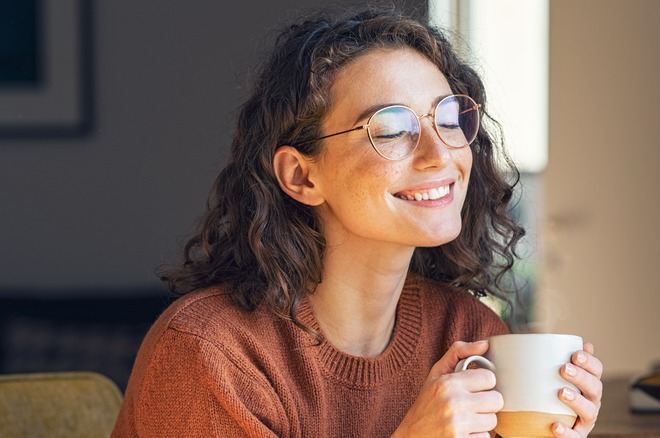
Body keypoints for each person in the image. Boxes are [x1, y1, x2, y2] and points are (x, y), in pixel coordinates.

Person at [112, 6, 603, 438]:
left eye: (449, 119)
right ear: (302, 176)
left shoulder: (466, 332)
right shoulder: (213, 355)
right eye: (391, 129)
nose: (440, 154)